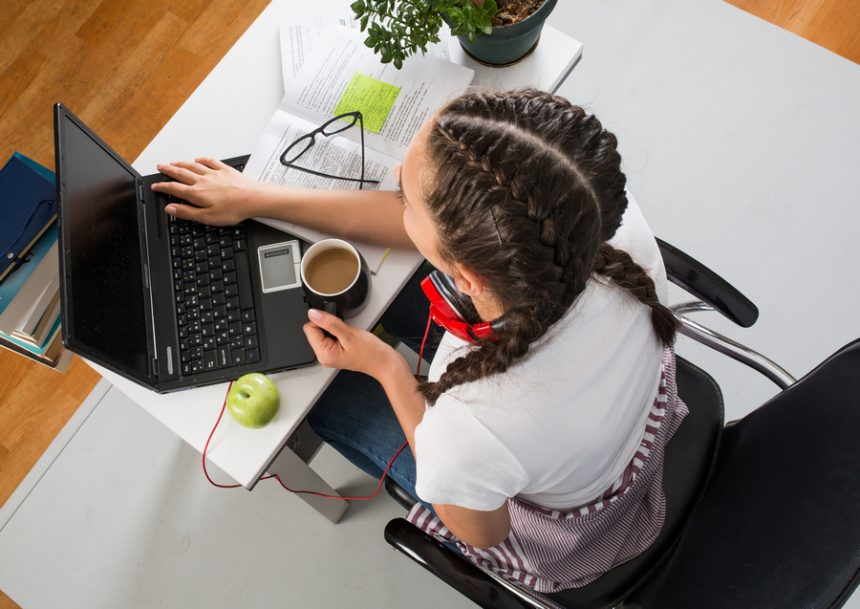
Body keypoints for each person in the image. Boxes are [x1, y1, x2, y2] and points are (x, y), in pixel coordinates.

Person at [151, 89, 688, 595]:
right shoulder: (592, 212)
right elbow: (425, 229)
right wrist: (256, 198)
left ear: (469, 278)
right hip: (627, 419)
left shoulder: (472, 425)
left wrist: (387, 368)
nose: (393, 176)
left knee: (327, 403)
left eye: (406, 196)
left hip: (576, 530)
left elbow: (481, 532)